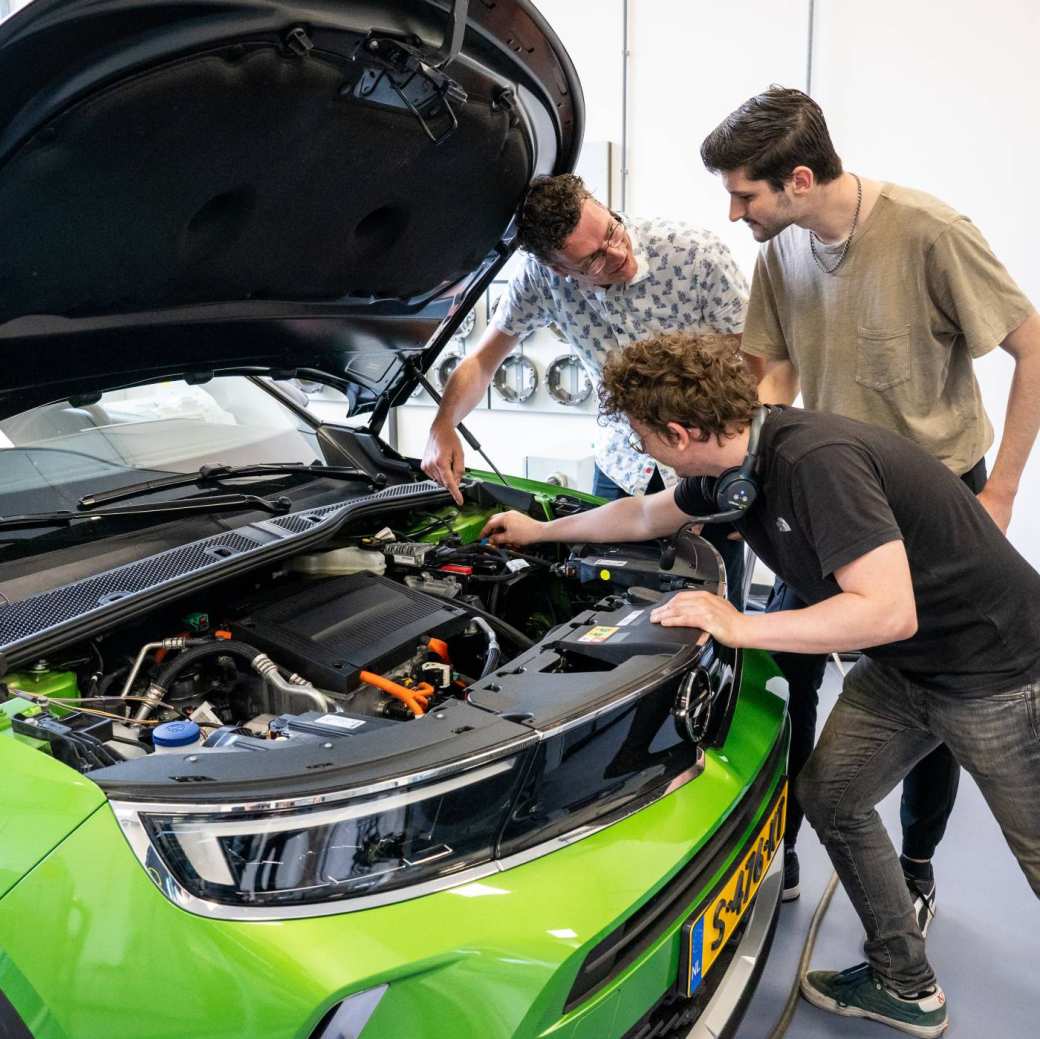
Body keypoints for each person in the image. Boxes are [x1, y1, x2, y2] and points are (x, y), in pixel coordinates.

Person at [480, 331, 1040, 1038]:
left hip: (1001, 670)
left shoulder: (815, 463)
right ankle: (906, 982)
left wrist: (740, 625)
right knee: (830, 795)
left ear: (680, 432)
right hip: (910, 668)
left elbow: (886, 610)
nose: (644, 450)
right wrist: (541, 531)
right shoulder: (730, 464)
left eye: (645, 436)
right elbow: (650, 515)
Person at [699, 85, 1040, 911]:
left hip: (934, 508)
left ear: (800, 178)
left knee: (942, 714)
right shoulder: (779, 252)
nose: (735, 210)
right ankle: (774, 850)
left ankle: (918, 869)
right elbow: (773, 365)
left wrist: (999, 492)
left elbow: (1033, 350)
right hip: (823, 498)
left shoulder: (931, 232)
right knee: (786, 671)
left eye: (745, 193)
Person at [420, 173, 749, 604]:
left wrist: (742, 474)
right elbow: (483, 359)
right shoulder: (539, 281)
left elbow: (755, 367)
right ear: (557, 268)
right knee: (603, 600)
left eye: (612, 230)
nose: (619, 254)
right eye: (593, 259)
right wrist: (443, 425)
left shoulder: (693, 255)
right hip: (623, 464)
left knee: (713, 604)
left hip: (712, 462)